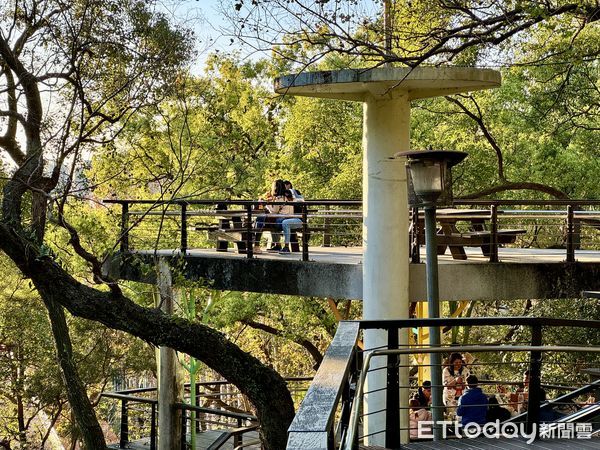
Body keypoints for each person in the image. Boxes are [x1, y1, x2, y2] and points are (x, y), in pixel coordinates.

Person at [254, 179, 286, 253]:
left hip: (279, 219)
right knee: (260, 220)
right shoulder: (283, 197)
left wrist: (265, 204)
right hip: (279, 217)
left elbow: (274, 211)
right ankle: (276, 245)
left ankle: (256, 245)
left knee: (260, 220)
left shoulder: (279, 198)